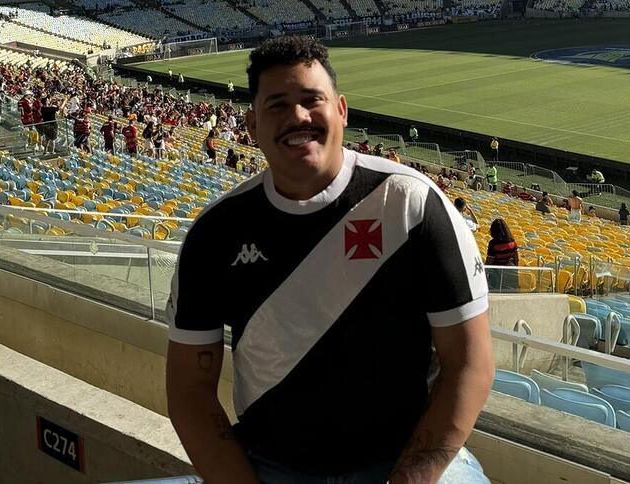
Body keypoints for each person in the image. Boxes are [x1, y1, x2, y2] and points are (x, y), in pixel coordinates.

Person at [166, 35, 493, 484]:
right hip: (270, 465)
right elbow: (189, 392)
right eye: (277, 104)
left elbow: (471, 363)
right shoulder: (215, 233)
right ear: (251, 124)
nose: (297, 115)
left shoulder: (413, 204)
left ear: (341, 109)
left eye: (311, 100)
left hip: (409, 461)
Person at [484, 218, 518, 291]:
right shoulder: (512, 242)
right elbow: (516, 259)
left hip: (496, 274)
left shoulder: (493, 243)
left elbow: (489, 261)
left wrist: (484, 271)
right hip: (509, 272)